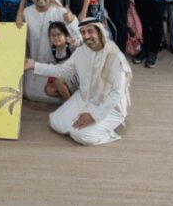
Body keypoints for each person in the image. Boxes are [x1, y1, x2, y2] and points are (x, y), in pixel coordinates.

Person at [24, 18, 132, 146]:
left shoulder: (114, 56)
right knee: (55, 122)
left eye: (90, 31)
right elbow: (62, 71)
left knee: (82, 135)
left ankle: (110, 133)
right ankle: (84, 122)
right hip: (84, 98)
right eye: (83, 32)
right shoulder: (81, 52)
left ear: (100, 32)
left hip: (109, 106)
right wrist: (34, 65)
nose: (86, 36)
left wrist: (93, 116)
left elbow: (116, 93)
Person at [21, 0, 78, 103]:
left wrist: (72, 21)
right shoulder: (27, 12)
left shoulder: (60, 12)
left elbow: (78, 39)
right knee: (28, 92)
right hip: (35, 65)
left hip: (59, 66)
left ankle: (69, 102)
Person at [44, 22, 75, 101]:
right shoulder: (53, 50)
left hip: (76, 78)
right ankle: (72, 99)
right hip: (65, 78)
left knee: (57, 79)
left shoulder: (71, 47)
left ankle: (69, 104)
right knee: (49, 89)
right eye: (53, 35)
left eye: (59, 34)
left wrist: (74, 44)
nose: (56, 38)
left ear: (66, 35)